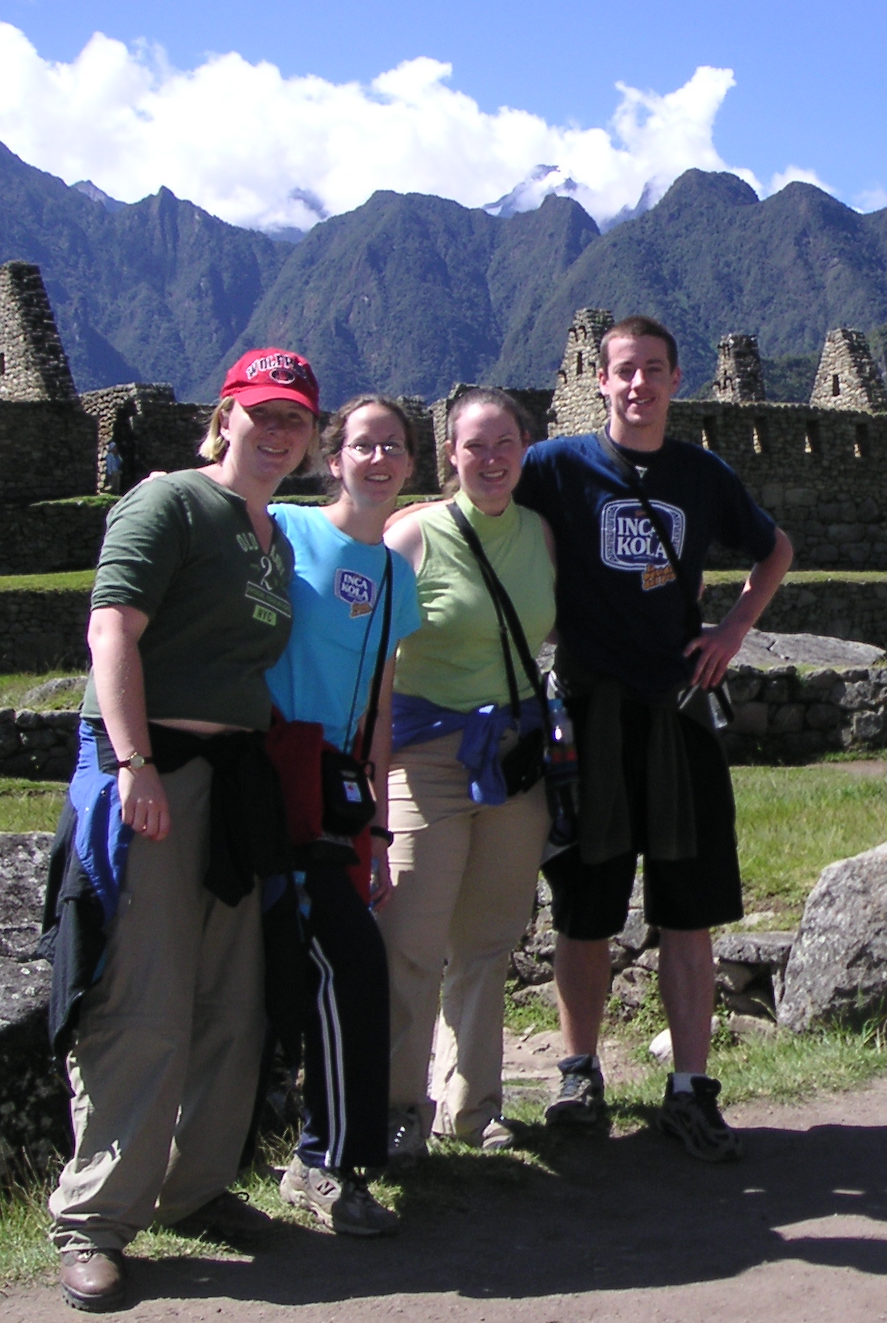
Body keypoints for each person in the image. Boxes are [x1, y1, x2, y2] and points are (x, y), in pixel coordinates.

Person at [45, 349, 319, 1312]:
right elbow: (112, 629)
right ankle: (94, 1221)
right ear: (225, 415)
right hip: (153, 771)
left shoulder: (271, 537)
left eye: (296, 418)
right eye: (263, 413)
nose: (279, 431)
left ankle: (195, 1190)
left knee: (230, 1000)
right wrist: (133, 765)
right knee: (144, 995)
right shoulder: (167, 504)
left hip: (232, 785)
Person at [515, 315, 792, 1162]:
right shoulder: (557, 466)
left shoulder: (701, 474)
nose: (639, 385)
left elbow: (773, 549)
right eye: (625, 371)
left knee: (689, 905)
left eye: (655, 371)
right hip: (592, 710)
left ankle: (689, 1090)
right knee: (586, 906)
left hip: (677, 708)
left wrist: (733, 630)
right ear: (601, 381)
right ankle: (578, 1073)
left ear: (677, 381)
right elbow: (479, 510)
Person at [380, 387, 558, 1157]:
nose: (490, 459)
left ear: (526, 448)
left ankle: (474, 1108)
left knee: (488, 943)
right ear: (449, 453)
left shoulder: (542, 536)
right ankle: (396, 1110)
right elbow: (375, 664)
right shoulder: (413, 537)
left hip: (513, 762)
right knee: (411, 942)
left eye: (504, 444)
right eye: (474, 446)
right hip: (425, 761)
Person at [264, 395, 424, 1236]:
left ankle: (326, 1160)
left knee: (353, 960)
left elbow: (379, 701)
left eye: (393, 446)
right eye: (363, 445)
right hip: (263, 767)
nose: (379, 459)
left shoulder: (398, 573)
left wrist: (380, 829)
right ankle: (311, 1158)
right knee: (308, 966)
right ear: (334, 458)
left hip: (332, 788)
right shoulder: (285, 529)